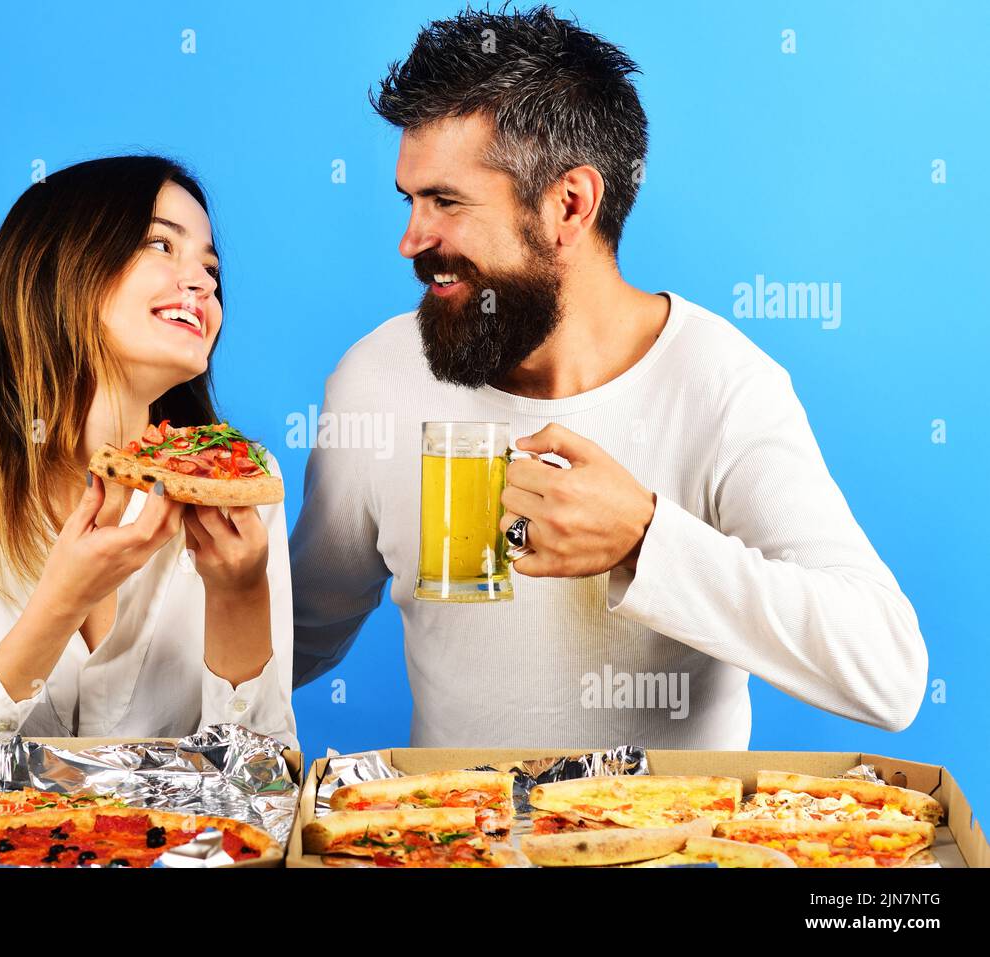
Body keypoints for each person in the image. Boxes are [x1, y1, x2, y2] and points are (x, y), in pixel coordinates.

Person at [290, 8, 926, 749]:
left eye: (446, 202)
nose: (411, 240)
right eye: (411, 200)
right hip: (450, 847)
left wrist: (645, 538)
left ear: (569, 205)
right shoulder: (378, 380)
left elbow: (888, 670)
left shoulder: (723, 386)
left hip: (667, 853)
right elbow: (303, 631)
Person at [0, 156, 296, 748]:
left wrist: (240, 598)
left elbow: (267, 785)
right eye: (162, 245)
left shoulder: (237, 482)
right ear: (57, 265)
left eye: (211, 268)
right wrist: (59, 607)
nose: (204, 283)